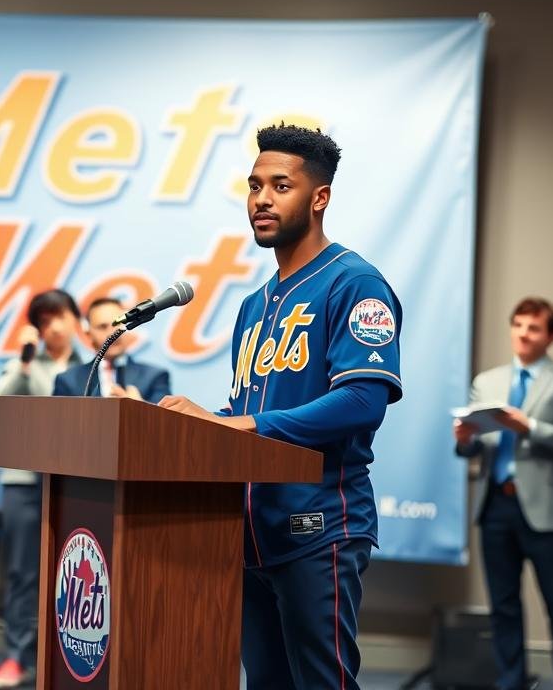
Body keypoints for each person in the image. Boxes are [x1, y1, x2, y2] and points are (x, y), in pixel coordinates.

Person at [159, 124, 402, 689]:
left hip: (319, 527)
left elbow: (363, 401)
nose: (262, 199)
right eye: (254, 185)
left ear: (319, 198)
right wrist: (203, 422)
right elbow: (255, 410)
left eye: (280, 186)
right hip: (249, 533)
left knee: (323, 682)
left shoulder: (354, 283)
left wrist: (244, 424)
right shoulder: (253, 304)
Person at [454, 297, 553, 690]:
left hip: (545, 510)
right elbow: (471, 449)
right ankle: (511, 682)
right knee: (503, 607)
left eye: (533, 328)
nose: (523, 334)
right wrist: (465, 440)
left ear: (551, 336)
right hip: (495, 505)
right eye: (518, 325)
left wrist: (526, 425)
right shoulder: (488, 381)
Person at [0, 290, 81, 690]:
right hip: (25, 480)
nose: (54, 326)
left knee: (76, 574)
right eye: (44, 320)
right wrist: (24, 359)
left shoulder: (91, 366)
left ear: (76, 319)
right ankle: (17, 657)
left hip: (75, 480)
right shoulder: (24, 365)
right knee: (23, 572)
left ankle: (69, 656)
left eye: (60, 316)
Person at [52, 297, 171, 402]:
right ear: (88, 335)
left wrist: (139, 406)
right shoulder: (67, 380)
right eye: (102, 327)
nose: (112, 332)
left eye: (118, 323)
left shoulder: (155, 376)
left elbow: (167, 423)